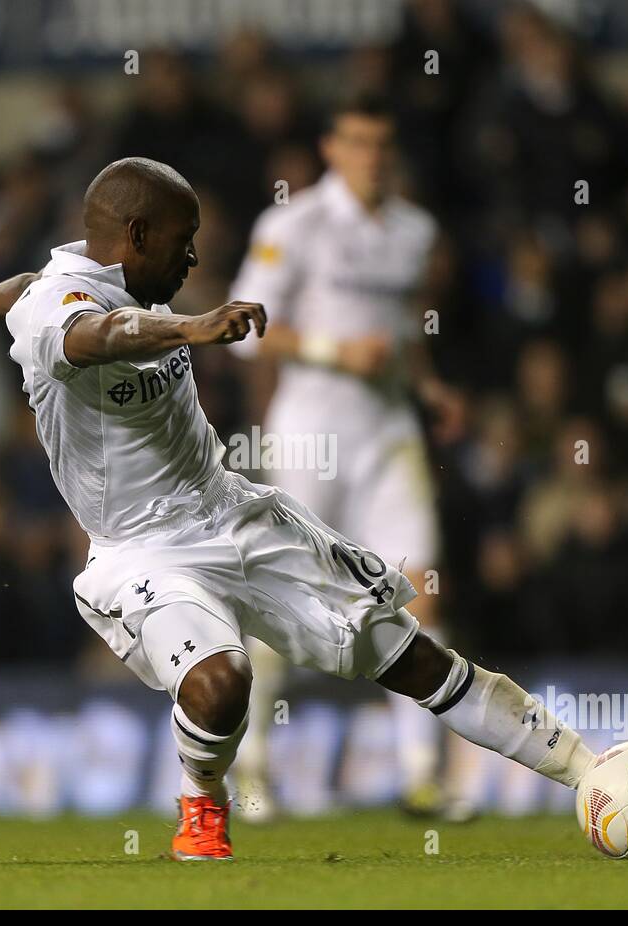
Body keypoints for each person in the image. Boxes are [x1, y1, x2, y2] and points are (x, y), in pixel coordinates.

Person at [0, 156, 628, 861]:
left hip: (232, 511)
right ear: (139, 236)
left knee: (416, 657)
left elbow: (28, 291)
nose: (193, 258)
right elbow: (92, 334)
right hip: (141, 550)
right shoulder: (71, 311)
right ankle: (202, 804)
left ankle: (596, 773)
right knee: (224, 683)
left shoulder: (61, 276)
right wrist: (192, 326)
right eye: (183, 242)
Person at [228, 92, 469, 820]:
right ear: (332, 148)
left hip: (387, 432)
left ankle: (424, 776)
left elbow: (398, 331)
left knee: (418, 590)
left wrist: (428, 387)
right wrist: (335, 351)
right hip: (309, 429)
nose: (372, 158)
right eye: (358, 143)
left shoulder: (414, 230)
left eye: (383, 145)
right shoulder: (292, 224)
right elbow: (241, 328)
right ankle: (252, 770)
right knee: (282, 601)